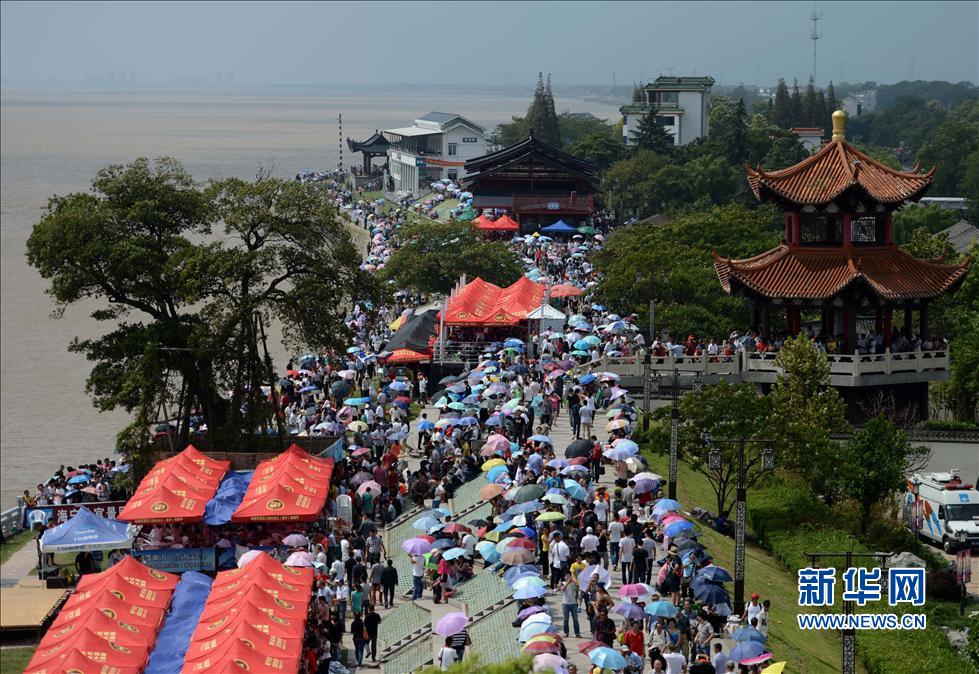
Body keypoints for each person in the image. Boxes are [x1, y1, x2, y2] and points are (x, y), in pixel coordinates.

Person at [561, 573, 582, 637]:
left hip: (573, 604)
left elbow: (577, 591)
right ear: (564, 577)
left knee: (575, 619)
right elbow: (562, 589)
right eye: (567, 576)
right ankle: (566, 633)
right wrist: (568, 582)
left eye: (569, 576)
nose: (568, 577)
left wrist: (576, 585)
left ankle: (577, 633)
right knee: (565, 619)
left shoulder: (573, 584)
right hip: (565, 604)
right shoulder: (563, 583)